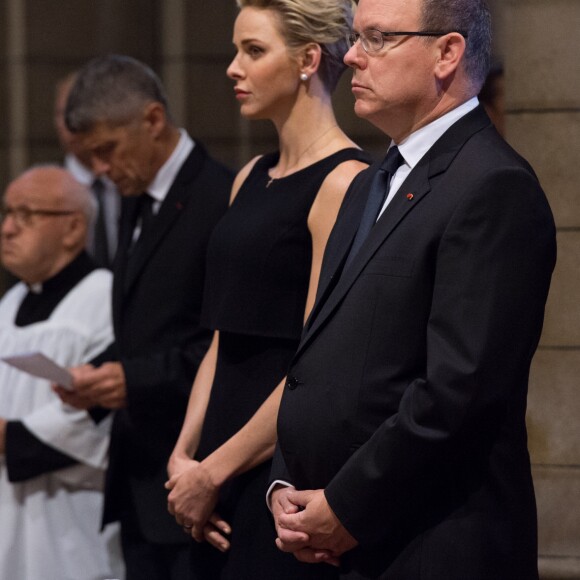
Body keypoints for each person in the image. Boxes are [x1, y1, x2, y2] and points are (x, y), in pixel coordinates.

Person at [269, 0, 557, 578]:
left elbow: (458, 392)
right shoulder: (367, 185)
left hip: (432, 542)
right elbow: (316, 360)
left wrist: (345, 506)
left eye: (375, 38)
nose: (350, 57)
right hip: (331, 537)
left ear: (446, 53)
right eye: (354, 38)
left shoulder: (492, 187)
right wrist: (285, 484)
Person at [165, 0, 370, 578]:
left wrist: (217, 470)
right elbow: (220, 342)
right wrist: (185, 457)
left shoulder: (344, 181)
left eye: (253, 51)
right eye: (236, 49)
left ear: (308, 59)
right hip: (210, 464)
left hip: (274, 464)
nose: (232, 66)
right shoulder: (248, 176)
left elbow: (316, 363)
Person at [54, 55, 233, 580]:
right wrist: (97, 376)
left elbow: (229, 348)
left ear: (153, 120)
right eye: (91, 158)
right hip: (138, 479)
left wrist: (131, 379)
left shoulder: (221, 197)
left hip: (197, 477)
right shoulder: (134, 197)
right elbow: (145, 326)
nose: (102, 171)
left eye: (107, 151)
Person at [0, 166, 123, 580]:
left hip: (72, 528)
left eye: (25, 215)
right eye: (6, 213)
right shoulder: (10, 302)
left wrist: (8, 437)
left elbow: (96, 416)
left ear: (73, 229)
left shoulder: (105, 298)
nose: (7, 228)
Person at [54, 72, 121, 268]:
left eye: (79, 113)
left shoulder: (139, 184)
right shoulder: (43, 191)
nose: (70, 124)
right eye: (61, 113)